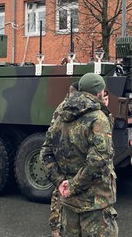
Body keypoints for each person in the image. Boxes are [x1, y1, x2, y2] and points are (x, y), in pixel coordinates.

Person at [40, 73, 118, 236]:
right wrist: (74, 186)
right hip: (94, 204)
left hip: (68, 204)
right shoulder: (98, 118)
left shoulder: (61, 114)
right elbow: (100, 159)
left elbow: (46, 152)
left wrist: (61, 182)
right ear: (99, 92)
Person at [41, 82, 78, 237]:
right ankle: (56, 228)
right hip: (63, 158)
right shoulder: (65, 109)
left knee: (60, 194)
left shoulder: (65, 106)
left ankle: (57, 227)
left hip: (62, 157)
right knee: (60, 195)